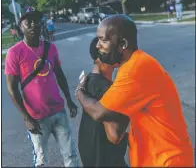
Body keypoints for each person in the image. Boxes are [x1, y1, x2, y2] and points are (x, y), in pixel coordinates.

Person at [75, 15, 194, 167]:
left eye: (103, 40)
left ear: (122, 44)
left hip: (167, 159)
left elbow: (99, 112)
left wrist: (79, 92)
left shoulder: (135, 69)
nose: (98, 45)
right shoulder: (130, 66)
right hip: (153, 157)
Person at [5, 10, 78, 167]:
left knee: (71, 155)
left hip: (59, 111)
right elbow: (12, 89)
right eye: (28, 22)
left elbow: (60, 76)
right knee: (41, 161)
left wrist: (69, 100)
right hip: (36, 118)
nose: (33, 24)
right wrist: (27, 117)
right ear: (20, 27)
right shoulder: (14, 53)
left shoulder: (50, 48)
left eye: (36, 21)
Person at [78, 37, 129, 167]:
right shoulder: (105, 88)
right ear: (102, 56)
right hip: (104, 158)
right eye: (114, 50)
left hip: (89, 151)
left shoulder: (88, 79)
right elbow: (115, 134)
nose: (119, 53)